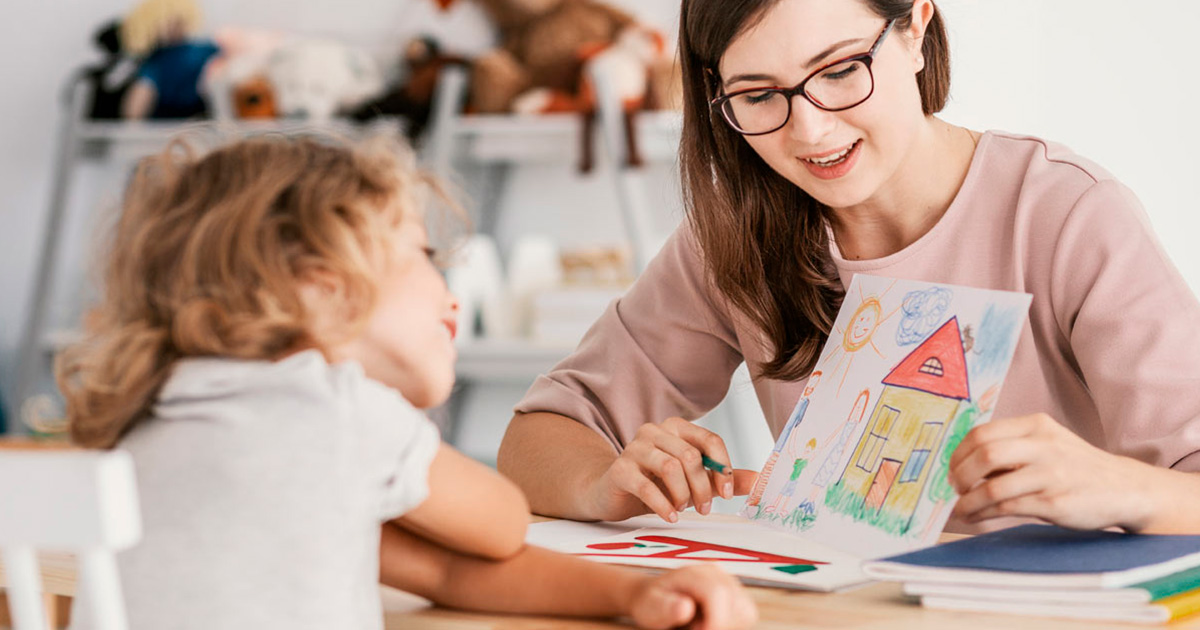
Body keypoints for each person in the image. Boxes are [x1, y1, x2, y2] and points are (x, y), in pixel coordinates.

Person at [498, 0, 1200, 535]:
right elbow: (539, 437)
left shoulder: (1065, 213)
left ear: (916, 27)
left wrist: (1120, 486)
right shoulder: (734, 237)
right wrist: (602, 484)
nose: (811, 129)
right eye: (758, 94)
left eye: (839, 71)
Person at [57, 132, 757, 630]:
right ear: (322, 288)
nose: (448, 292)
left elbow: (442, 573)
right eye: (423, 255)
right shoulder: (341, 413)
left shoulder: (149, 421)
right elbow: (499, 524)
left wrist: (632, 598)